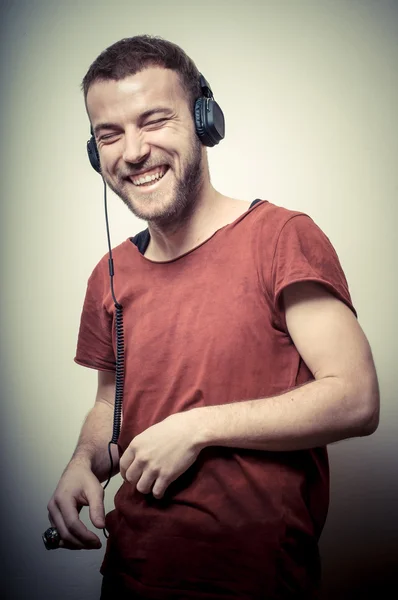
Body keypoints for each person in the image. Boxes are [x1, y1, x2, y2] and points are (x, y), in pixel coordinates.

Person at [45, 35, 380, 599]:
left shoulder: (280, 237)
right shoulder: (108, 272)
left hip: (256, 584)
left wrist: (196, 427)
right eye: (110, 134)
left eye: (154, 121)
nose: (132, 152)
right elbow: (111, 402)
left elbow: (356, 397)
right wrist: (83, 461)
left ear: (205, 119)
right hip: (130, 576)